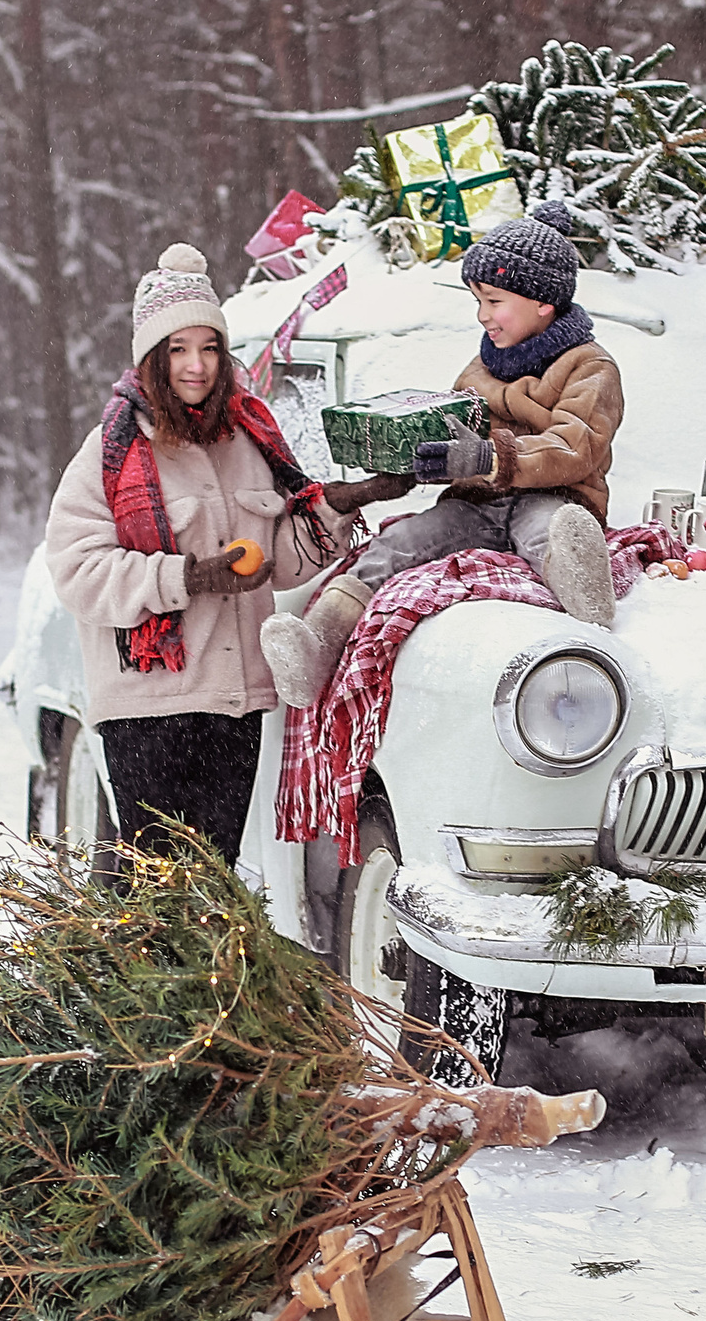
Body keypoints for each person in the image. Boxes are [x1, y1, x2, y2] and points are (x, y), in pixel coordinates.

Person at [45, 243, 413, 864]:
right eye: (178, 350)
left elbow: (287, 562)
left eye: (209, 348)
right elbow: (79, 572)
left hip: (234, 707)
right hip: (147, 708)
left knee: (213, 883)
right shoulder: (111, 453)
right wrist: (189, 576)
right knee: (160, 890)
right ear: (152, 360)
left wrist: (341, 503)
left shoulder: (249, 439)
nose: (196, 366)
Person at [260, 201, 625, 709]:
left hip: (554, 492)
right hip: (474, 504)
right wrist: (420, 452)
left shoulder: (589, 367)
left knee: (550, 531)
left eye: (493, 300)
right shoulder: (480, 367)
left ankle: (586, 593)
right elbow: (456, 425)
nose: (482, 315)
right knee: (396, 546)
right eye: (477, 300)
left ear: (542, 301)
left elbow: (576, 445)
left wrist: (488, 457)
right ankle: (316, 648)